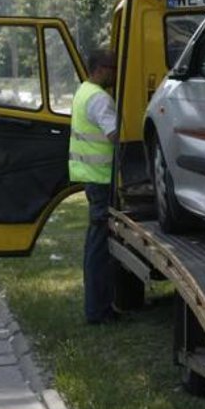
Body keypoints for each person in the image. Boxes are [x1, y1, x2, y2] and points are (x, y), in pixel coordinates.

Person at [69, 48, 121, 324]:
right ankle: (98, 311)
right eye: (113, 69)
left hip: (92, 177)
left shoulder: (83, 91)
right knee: (98, 249)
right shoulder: (100, 99)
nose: (116, 74)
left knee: (95, 245)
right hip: (101, 180)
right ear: (101, 68)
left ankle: (98, 308)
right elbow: (115, 135)